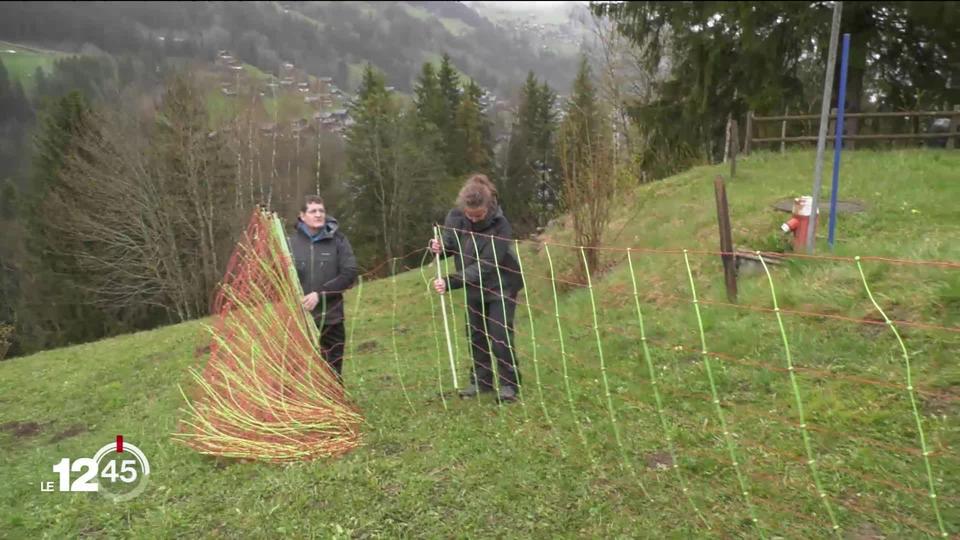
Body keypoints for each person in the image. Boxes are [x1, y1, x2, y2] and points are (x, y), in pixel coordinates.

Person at [430, 174, 524, 403]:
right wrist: (439, 247)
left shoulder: (501, 225)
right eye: (469, 216)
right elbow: (450, 245)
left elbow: (487, 265)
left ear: (488, 207)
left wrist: (451, 281)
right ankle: (481, 382)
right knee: (475, 335)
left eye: (479, 216)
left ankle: (509, 385)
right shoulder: (455, 216)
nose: (473, 220)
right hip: (473, 287)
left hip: (501, 285)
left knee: (499, 335)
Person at [289, 195, 358, 383]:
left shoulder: (339, 241)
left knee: (332, 375)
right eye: (313, 211)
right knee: (303, 375)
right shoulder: (290, 244)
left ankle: (336, 409)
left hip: (332, 319)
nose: (318, 214)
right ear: (302, 216)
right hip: (301, 321)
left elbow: (349, 273)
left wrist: (320, 294)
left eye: (321, 210)